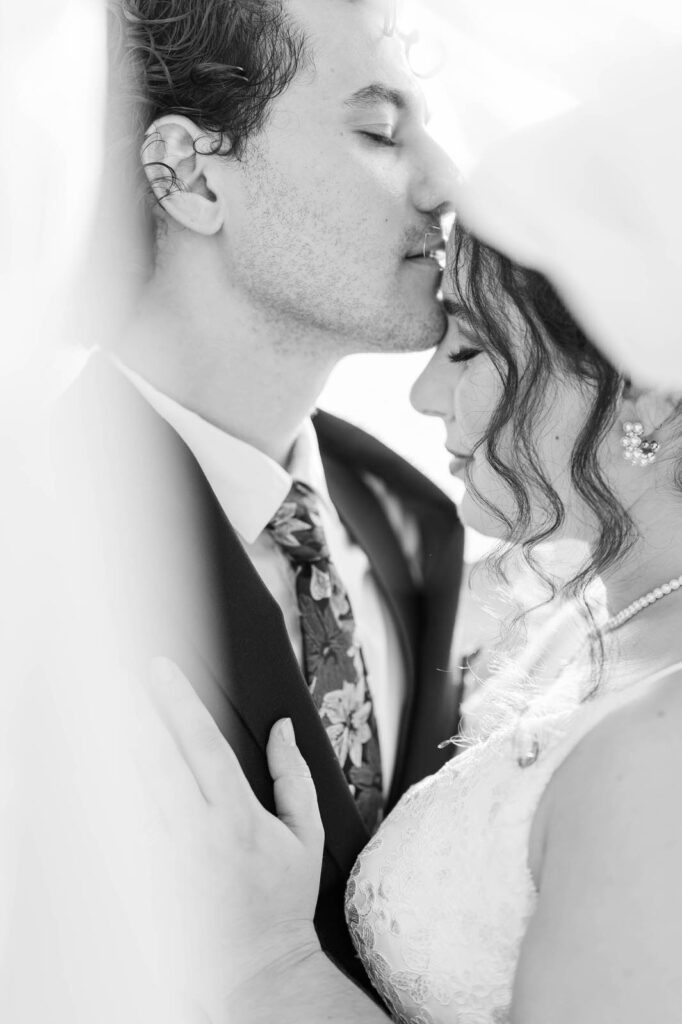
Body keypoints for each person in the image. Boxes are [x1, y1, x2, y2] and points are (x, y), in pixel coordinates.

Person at [141, 218, 682, 1023]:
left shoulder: (657, 752)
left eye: (468, 347)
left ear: (645, 387)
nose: (423, 393)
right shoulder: (571, 627)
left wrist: (268, 962)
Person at [58, 0, 464, 993]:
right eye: (377, 130)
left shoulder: (419, 519)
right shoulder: (36, 534)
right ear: (189, 175)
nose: (444, 180)